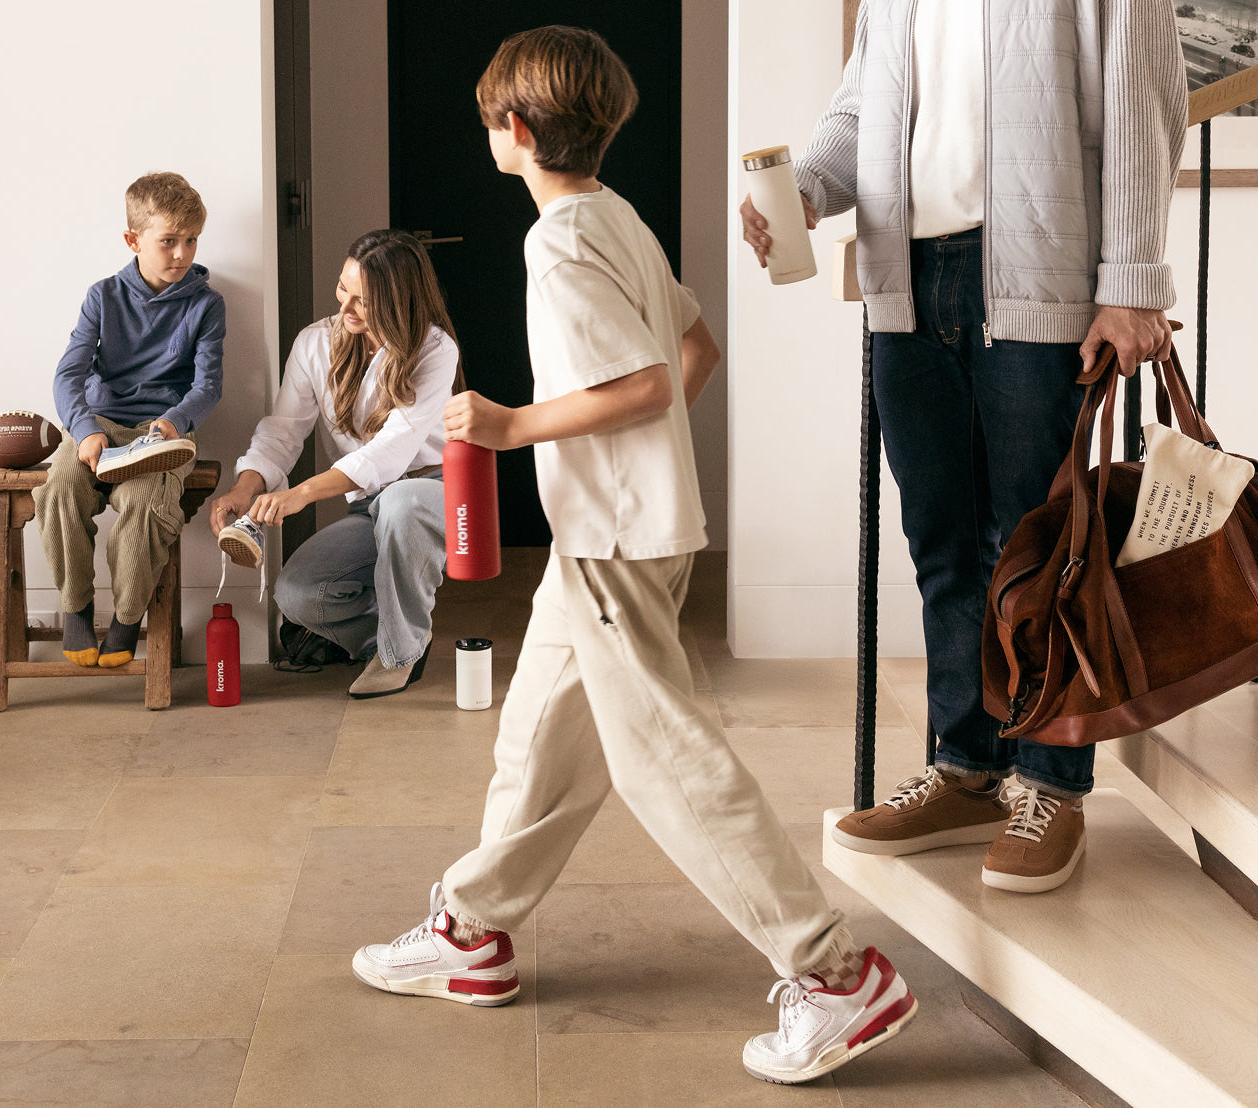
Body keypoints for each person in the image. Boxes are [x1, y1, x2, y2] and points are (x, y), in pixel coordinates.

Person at [351, 26, 917, 1086]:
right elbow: (694, 349)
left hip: (611, 540)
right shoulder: (617, 217)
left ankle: (834, 973)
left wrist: (513, 427)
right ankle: (472, 929)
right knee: (537, 742)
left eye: (490, 120)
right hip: (614, 533)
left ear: (516, 132)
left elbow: (649, 383)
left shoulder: (558, 244)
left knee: (668, 764)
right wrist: (640, 461)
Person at [741, 0, 1187, 893]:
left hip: (1037, 272)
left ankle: (1052, 786)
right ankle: (966, 768)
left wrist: (1133, 283)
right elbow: (860, 106)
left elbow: (1143, 101)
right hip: (908, 276)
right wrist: (809, 188)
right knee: (942, 542)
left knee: (1042, 545)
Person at [208, 229, 461, 699]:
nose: (345, 308)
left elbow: (390, 450)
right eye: (344, 288)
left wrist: (301, 493)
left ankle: (399, 655)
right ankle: (387, 639)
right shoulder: (314, 343)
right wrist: (245, 488)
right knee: (299, 595)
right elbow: (283, 431)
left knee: (402, 503)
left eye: (364, 301)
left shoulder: (435, 349)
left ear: (399, 301)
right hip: (370, 503)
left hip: (430, 490)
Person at [35, 171, 224, 668]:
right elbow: (68, 375)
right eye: (169, 241)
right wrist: (85, 430)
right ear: (133, 240)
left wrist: (174, 422)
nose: (182, 253)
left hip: (162, 433)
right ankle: (76, 606)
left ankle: (126, 618)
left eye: (192, 240)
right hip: (100, 424)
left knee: (146, 505)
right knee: (59, 489)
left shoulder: (206, 304)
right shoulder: (102, 296)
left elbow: (207, 386)